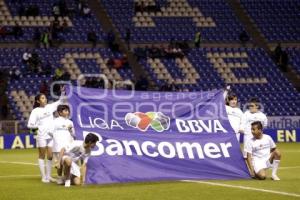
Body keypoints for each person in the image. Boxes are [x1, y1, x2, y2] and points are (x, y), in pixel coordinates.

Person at [27, 90, 65, 183]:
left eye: (45, 97)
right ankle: (43, 177)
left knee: (50, 156)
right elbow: (30, 125)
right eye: (43, 98)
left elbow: (60, 102)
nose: (45, 99)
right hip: (41, 136)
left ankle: (49, 176)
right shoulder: (35, 111)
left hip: (51, 135)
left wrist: (62, 93)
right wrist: (38, 126)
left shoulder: (49, 107)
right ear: (38, 101)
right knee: (42, 156)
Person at [50, 104, 75, 185]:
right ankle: (60, 177)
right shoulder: (55, 122)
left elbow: (73, 134)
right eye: (65, 110)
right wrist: (55, 140)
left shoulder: (70, 122)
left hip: (68, 145)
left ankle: (66, 177)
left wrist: (71, 131)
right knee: (59, 163)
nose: (67, 112)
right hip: (58, 146)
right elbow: (50, 132)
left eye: (68, 110)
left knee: (67, 162)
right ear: (60, 112)